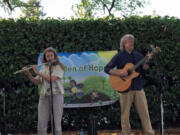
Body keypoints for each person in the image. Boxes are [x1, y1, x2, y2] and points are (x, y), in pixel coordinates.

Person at [104, 34, 155, 135]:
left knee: (144, 113)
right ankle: (126, 133)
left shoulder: (138, 55)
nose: (131, 43)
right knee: (125, 114)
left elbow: (144, 70)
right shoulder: (119, 56)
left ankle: (149, 133)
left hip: (138, 87)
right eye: (129, 41)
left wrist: (148, 61)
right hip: (124, 89)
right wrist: (120, 73)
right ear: (124, 44)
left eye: (132, 41)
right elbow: (107, 68)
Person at [23, 47, 65, 135]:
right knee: (41, 122)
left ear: (54, 56)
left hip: (56, 95)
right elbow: (36, 82)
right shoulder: (44, 67)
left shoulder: (59, 66)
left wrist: (38, 72)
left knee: (56, 123)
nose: (49, 57)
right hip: (44, 95)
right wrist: (29, 74)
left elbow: (52, 79)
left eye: (51, 55)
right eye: (47, 56)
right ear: (45, 58)